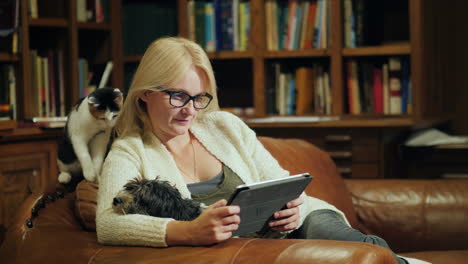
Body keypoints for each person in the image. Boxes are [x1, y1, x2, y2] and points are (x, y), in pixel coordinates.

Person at [96, 37, 424, 264]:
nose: (190, 110)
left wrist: (292, 207)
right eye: (177, 96)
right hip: (250, 250)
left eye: (198, 98)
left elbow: (280, 181)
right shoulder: (130, 151)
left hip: (299, 225)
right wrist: (187, 231)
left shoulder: (223, 126)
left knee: (363, 249)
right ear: (145, 95)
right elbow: (108, 226)